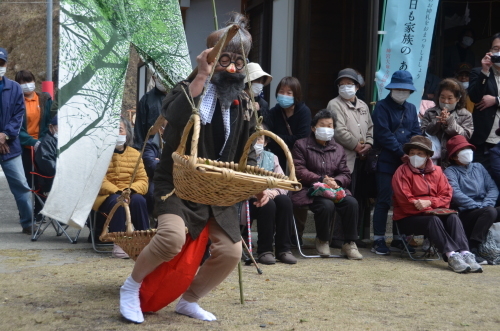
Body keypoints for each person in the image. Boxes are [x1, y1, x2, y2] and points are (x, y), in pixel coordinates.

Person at [119, 13, 258, 324]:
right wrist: (201, 76)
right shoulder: (186, 89)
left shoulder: (246, 104)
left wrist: (249, 179)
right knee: (171, 238)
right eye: (224, 60)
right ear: (209, 58)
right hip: (177, 184)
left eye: (238, 61)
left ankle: (190, 300)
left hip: (217, 191)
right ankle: (131, 287)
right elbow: (174, 117)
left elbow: (248, 150)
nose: (232, 68)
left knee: (232, 252)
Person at [392, 135, 482, 273]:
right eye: (412, 153)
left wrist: (429, 202)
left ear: (428, 155)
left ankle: (465, 253)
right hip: (408, 217)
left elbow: (447, 196)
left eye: (419, 153)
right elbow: (405, 200)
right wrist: (429, 207)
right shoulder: (401, 172)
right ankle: (451, 255)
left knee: (453, 217)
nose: (415, 156)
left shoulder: (438, 171)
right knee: (433, 219)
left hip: (433, 211)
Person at [291, 109, 363, 260]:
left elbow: (345, 173)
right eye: (322, 125)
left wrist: (336, 182)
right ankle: (322, 240)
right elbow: (299, 170)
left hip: (334, 190)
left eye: (330, 125)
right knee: (326, 205)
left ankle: (349, 243)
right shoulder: (301, 145)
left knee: (351, 203)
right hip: (309, 190)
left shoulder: (338, 148)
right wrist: (321, 179)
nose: (327, 128)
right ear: (313, 127)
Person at [371, 70, 421, 255]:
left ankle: (400, 238)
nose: (401, 92)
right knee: (383, 200)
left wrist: (416, 151)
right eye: (398, 88)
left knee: (403, 201)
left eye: (405, 89)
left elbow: (416, 131)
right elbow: (383, 134)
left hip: (407, 162)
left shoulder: (411, 109)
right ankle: (378, 239)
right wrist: (402, 152)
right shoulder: (382, 107)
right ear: (391, 89)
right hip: (386, 161)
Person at [326, 68, 373, 247]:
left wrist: (368, 144)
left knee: (360, 198)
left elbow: (370, 127)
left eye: (349, 84)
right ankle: (337, 237)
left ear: (357, 86)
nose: (346, 87)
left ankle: (352, 235)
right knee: (342, 196)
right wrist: (356, 145)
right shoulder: (334, 104)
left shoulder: (363, 105)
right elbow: (338, 131)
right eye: (342, 84)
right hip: (344, 158)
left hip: (363, 159)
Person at [93, 117, 149, 259]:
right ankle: (120, 243)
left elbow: (143, 180)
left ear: (127, 132)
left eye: (120, 129)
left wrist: (130, 190)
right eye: (113, 130)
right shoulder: (101, 153)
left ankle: (143, 240)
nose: (116, 133)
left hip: (130, 192)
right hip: (107, 194)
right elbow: (98, 180)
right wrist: (118, 191)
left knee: (139, 201)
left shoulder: (135, 154)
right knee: (119, 202)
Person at [444, 135, 499, 265]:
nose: (467, 152)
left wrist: (486, 204)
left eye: (468, 148)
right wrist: (476, 206)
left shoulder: (479, 167)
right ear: (453, 156)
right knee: (490, 212)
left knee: (490, 211)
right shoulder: (450, 171)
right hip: (466, 212)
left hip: (485, 207)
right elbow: (455, 193)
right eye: (462, 150)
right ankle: (472, 247)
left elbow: (493, 188)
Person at [245, 131, 296, 265]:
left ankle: (283, 249)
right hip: (248, 200)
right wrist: (259, 193)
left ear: (266, 142)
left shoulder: (272, 157)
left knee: (285, 201)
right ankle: (265, 250)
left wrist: (272, 193)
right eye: (253, 138)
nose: (257, 142)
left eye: (260, 139)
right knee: (268, 205)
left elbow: (283, 182)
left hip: (270, 194)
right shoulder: (242, 157)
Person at [0, 47, 34, 234]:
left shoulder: (13, 88)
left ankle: (28, 222)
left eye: (1, 63)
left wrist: (5, 135)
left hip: (10, 147)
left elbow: (18, 114)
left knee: (22, 185)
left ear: (6, 64)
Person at [14, 70, 52, 216]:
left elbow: (50, 121)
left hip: (43, 146)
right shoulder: (16, 101)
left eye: (28, 81)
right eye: (22, 82)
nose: (26, 85)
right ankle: (26, 213)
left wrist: (42, 141)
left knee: (42, 180)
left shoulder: (44, 99)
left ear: (34, 81)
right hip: (23, 148)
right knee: (25, 182)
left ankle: (40, 211)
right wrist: (31, 142)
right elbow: (16, 126)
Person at [420, 78, 473, 168]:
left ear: (458, 99)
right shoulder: (430, 112)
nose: (445, 101)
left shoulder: (465, 114)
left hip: (454, 161)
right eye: (442, 97)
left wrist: (450, 122)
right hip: (433, 160)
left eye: (450, 98)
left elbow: (466, 135)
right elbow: (423, 132)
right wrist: (437, 121)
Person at [468, 32, 500, 171]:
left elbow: (495, 100)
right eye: (496, 48)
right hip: (484, 138)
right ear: (490, 51)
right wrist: (485, 71)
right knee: (482, 179)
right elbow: (474, 97)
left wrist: (496, 100)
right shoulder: (478, 72)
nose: (499, 52)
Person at [267, 76, 311, 171]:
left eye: (289, 93)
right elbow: (268, 137)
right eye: (281, 92)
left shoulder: (304, 112)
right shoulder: (273, 112)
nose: (284, 95)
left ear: (296, 95)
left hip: (298, 160)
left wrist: (277, 138)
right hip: (277, 159)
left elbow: (302, 139)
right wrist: (289, 139)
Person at [133, 75, 167, 149]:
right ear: (154, 77)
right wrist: (141, 150)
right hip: (151, 149)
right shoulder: (146, 99)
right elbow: (139, 129)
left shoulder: (178, 95)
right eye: (158, 77)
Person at [142, 119, 167, 216]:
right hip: (156, 178)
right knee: (152, 193)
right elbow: (150, 165)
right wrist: (168, 164)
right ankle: (152, 219)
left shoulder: (179, 142)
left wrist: (159, 162)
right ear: (161, 129)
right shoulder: (151, 144)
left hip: (176, 178)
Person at [34, 115, 58, 194]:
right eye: (60, 127)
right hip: (51, 182)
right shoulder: (46, 143)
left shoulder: (61, 141)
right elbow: (49, 167)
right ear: (51, 127)